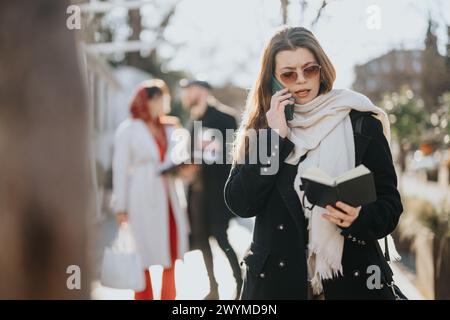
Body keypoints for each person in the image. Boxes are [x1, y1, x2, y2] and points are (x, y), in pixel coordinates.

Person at [224, 26, 403, 300]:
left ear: (323, 69)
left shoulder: (360, 122)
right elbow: (241, 203)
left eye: (310, 69)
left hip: (350, 282)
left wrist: (360, 217)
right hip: (277, 286)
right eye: (288, 74)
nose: (301, 80)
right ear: (272, 79)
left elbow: (390, 205)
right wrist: (275, 138)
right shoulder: (263, 129)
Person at [112, 79, 190, 300]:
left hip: (168, 195)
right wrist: (121, 206)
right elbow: (120, 169)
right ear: (146, 101)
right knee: (142, 253)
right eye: (157, 98)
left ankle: (169, 298)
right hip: (141, 194)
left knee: (172, 249)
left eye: (163, 98)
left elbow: (177, 155)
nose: (162, 102)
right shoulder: (128, 129)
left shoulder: (169, 126)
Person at [180, 79, 242, 299]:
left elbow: (230, 156)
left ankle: (239, 280)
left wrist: (203, 160)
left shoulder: (224, 117)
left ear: (203, 91)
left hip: (217, 192)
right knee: (201, 240)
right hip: (197, 193)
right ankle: (213, 287)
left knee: (221, 237)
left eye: (190, 91)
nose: (186, 95)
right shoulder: (192, 120)